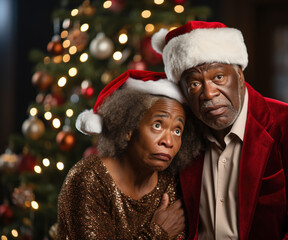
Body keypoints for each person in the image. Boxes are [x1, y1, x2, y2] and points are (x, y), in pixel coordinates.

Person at [151, 21, 288, 239]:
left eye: (218, 77)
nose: (209, 93)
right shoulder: (178, 137)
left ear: (240, 76)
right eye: (194, 84)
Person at [57, 70, 202, 239]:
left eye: (177, 130)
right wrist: (157, 233)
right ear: (128, 128)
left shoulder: (171, 181)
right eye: (157, 125)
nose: (168, 142)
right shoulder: (88, 178)